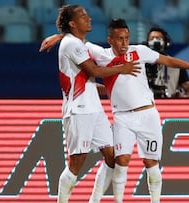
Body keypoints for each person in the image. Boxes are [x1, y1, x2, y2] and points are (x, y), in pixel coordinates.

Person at [40, 18, 189, 203]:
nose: (124, 43)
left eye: (127, 38)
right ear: (110, 39)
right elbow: (76, 42)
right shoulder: (100, 54)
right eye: (119, 39)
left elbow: (167, 60)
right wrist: (60, 36)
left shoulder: (139, 51)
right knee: (120, 162)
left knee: (151, 164)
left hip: (148, 114)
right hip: (122, 117)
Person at [50, 5, 140, 203]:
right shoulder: (72, 44)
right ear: (73, 24)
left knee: (113, 157)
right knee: (76, 163)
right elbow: (93, 71)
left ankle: (94, 200)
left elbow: (88, 78)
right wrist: (123, 69)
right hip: (79, 111)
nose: (88, 18)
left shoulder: (80, 44)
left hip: (94, 109)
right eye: (83, 16)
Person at [146, 27, 189, 98]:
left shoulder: (176, 65)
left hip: (170, 105)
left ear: (166, 43)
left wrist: (184, 97)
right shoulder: (141, 64)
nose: (155, 41)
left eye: (158, 38)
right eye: (152, 39)